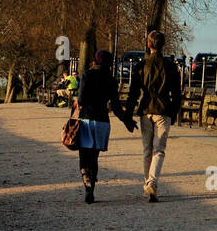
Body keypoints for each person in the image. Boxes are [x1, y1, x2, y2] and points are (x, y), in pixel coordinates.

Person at [126, 29, 183, 202]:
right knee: (159, 150)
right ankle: (152, 183)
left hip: (146, 109)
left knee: (147, 150)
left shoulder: (141, 65)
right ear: (163, 45)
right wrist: (173, 112)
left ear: (148, 44)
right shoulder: (171, 66)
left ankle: (147, 185)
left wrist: (128, 114)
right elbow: (177, 95)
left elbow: (133, 93)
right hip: (163, 109)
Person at [72, 50, 134, 203]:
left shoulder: (87, 75)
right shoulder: (111, 80)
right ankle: (91, 186)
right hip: (102, 121)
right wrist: (127, 120)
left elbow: (81, 99)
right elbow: (116, 105)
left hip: (86, 118)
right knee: (94, 156)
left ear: (95, 60)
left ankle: (86, 178)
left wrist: (78, 103)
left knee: (84, 154)